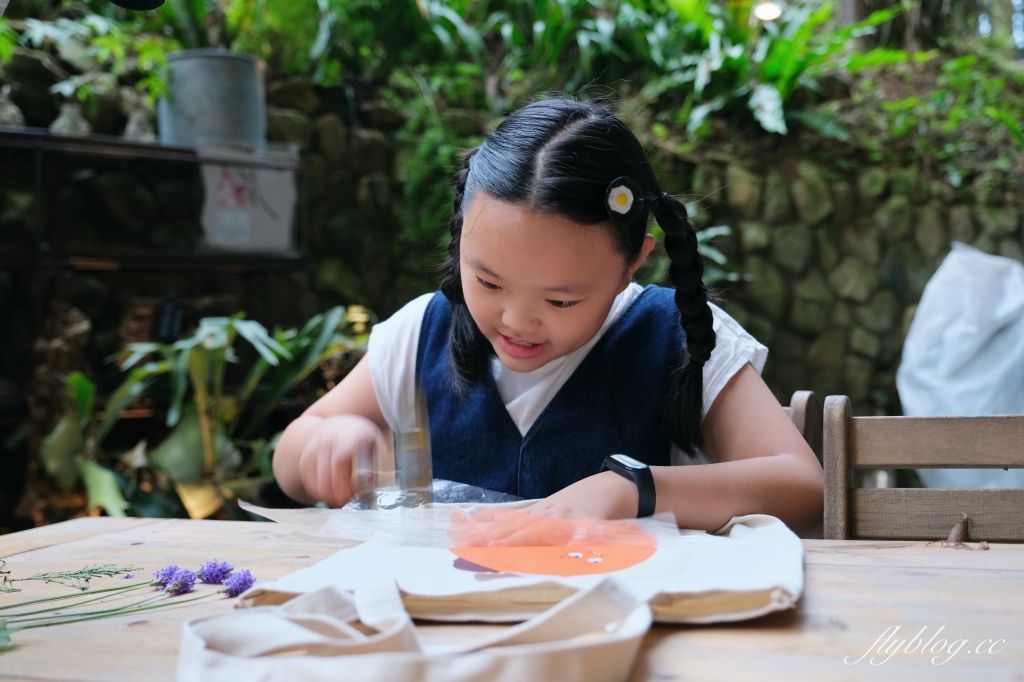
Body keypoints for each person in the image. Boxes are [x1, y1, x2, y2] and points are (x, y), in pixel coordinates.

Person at [274, 98, 823, 535]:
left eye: (561, 301)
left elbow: (802, 486)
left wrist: (633, 490)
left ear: (634, 261)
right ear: (462, 232)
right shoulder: (422, 333)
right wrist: (323, 443)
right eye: (488, 282)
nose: (516, 320)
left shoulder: (678, 338)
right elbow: (293, 455)